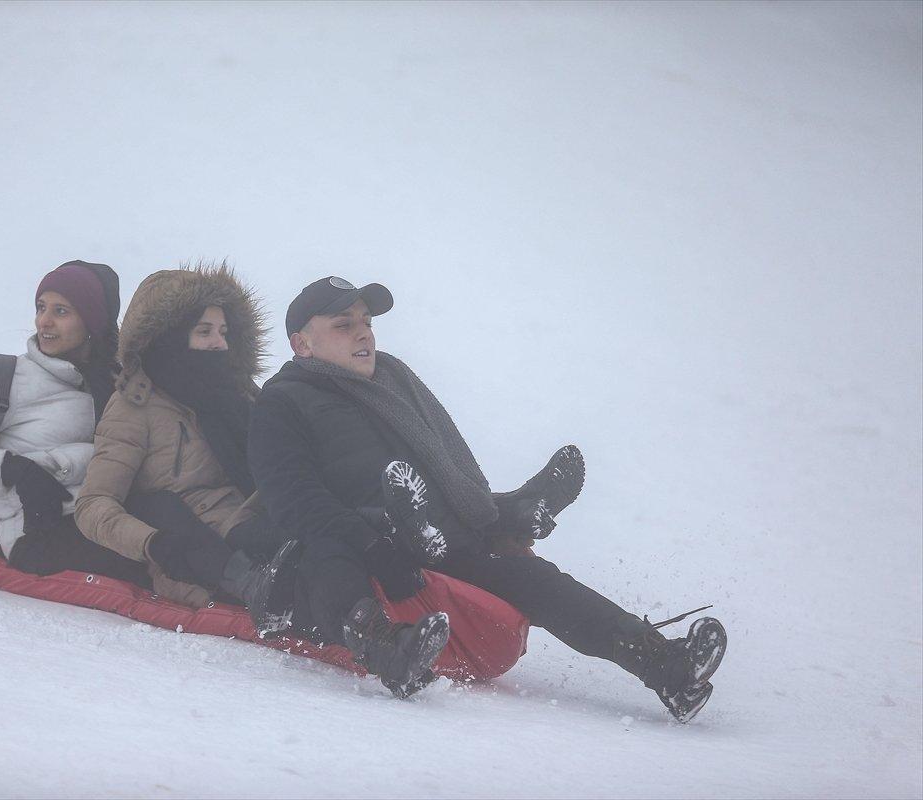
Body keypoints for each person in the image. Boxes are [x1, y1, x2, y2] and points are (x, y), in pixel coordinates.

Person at [247, 276, 727, 720]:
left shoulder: (393, 382)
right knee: (324, 544)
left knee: (531, 577)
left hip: (433, 534)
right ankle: (388, 646)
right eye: (343, 324)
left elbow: (445, 469)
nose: (363, 334)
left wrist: (482, 518)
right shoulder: (283, 402)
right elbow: (294, 502)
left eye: (367, 323)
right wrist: (373, 543)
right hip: (356, 552)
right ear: (301, 344)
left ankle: (667, 667)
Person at [74, 264, 300, 636]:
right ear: (169, 336)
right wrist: (153, 544)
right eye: (204, 331)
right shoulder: (135, 407)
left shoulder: (239, 395)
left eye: (224, 332)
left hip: (266, 511)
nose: (218, 343)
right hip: (207, 545)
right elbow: (93, 504)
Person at [0, 260, 147, 583]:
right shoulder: (3, 377)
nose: (43, 321)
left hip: (95, 515)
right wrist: (10, 469)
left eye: (61, 311)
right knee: (151, 560)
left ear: (91, 322)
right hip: (27, 530)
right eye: (41, 307)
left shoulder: (120, 385)